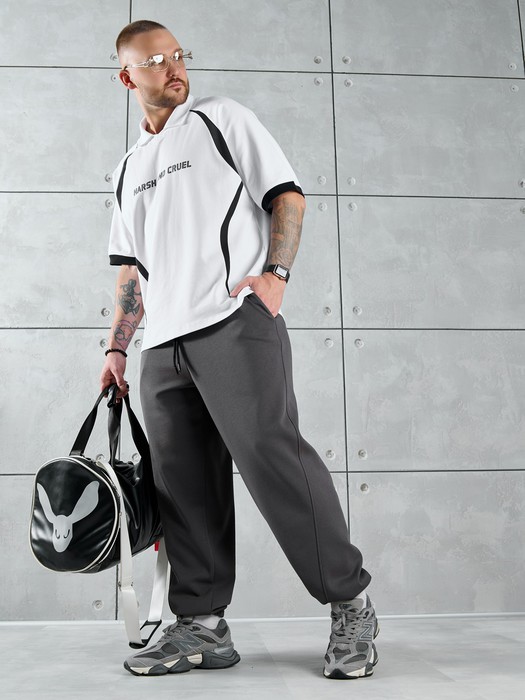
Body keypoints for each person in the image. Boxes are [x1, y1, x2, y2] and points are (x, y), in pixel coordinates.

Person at [99, 19, 379, 681]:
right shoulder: (127, 169)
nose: (173, 68)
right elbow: (131, 268)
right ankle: (202, 625)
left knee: (276, 464)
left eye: (177, 55)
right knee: (182, 488)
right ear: (127, 77)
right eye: (155, 61)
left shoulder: (220, 119)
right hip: (163, 347)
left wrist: (275, 276)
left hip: (233, 324)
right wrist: (118, 347)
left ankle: (351, 604)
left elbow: (287, 196)